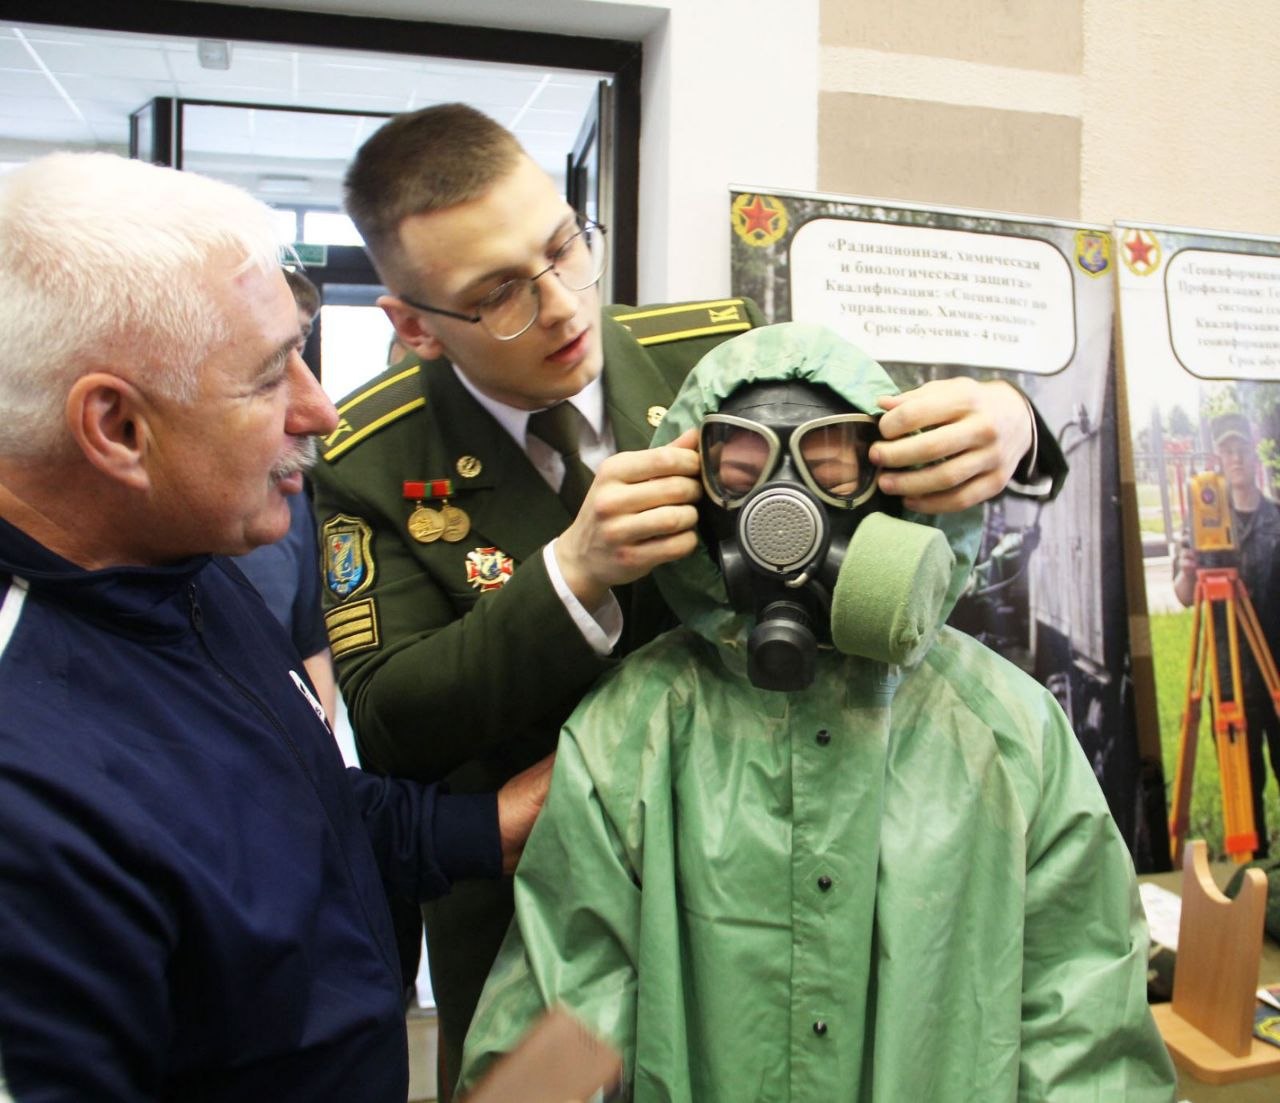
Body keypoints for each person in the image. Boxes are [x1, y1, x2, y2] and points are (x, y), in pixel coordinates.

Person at [310, 102, 1068, 1088]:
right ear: (413, 324)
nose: (563, 308)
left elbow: (903, 435)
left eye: (561, 247)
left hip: (787, 850)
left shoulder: (711, 359)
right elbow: (392, 717)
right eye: (497, 293)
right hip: (546, 921)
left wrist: (1015, 422)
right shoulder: (367, 458)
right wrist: (569, 575)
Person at [458, 324, 1176, 1101]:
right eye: (741, 472)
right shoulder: (631, 733)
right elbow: (568, 1014)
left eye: (829, 470)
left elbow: (1084, 1034)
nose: (783, 511)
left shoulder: (1009, 732)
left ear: (898, 494)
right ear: (692, 502)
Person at [0, 151, 552, 1102]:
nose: (319, 409)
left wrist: (494, 826)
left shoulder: (175, 574)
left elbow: (295, 813)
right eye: (266, 379)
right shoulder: (29, 803)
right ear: (118, 428)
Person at [231, 266, 337, 721]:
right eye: (270, 371)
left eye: (300, 346)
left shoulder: (289, 498)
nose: (321, 414)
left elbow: (309, 641)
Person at [1173, 410, 1280, 856]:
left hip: (1275, 663)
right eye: (1226, 449)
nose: (1234, 457)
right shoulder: (1204, 518)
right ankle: (1251, 863)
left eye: (1240, 447)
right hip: (1230, 675)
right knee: (1245, 778)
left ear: (1252, 453)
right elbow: (1183, 596)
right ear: (1218, 456)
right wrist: (1187, 567)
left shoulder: (1276, 518)